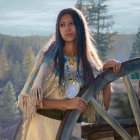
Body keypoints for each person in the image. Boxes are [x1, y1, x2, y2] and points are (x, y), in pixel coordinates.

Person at [18, 7, 121, 140]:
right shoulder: (47, 60)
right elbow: (26, 101)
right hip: (43, 129)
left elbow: (104, 106)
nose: (67, 28)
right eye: (62, 25)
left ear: (79, 26)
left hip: (71, 131)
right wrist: (66, 104)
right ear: (58, 30)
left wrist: (106, 75)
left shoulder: (88, 65)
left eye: (71, 23)